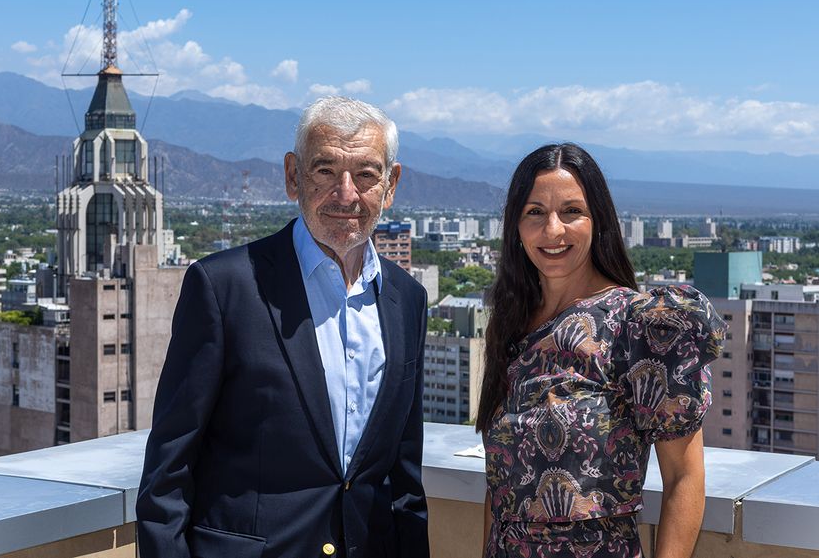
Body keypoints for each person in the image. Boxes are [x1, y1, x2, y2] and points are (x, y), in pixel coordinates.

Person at [136, 96, 430, 558]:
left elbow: (403, 479)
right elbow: (167, 471)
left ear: (390, 185)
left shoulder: (407, 300)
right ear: (293, 176)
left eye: (366, 175)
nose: (346, 194)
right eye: (325, 171)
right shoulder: (224, 287)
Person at [476, 143, 725, 558]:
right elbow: (500, 491)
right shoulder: (511, 326)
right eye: (535, 212)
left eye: (571, 211)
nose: (552, 230)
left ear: (598, 222)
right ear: (515, 227)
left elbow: (684, 477)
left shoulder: (642, 327)